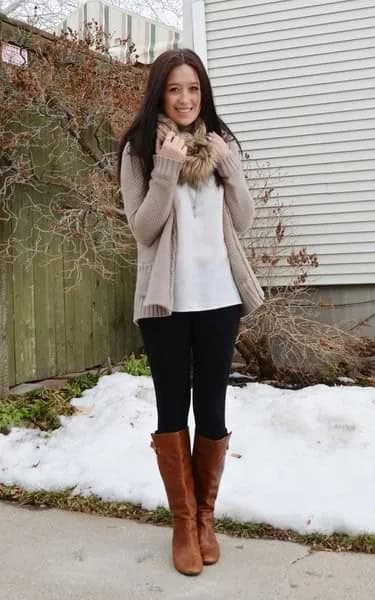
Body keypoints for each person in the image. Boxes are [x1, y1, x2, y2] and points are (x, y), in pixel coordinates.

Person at [118, 48, 264, 576]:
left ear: (203, 94)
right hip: (165, 304)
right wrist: (167, 169)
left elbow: (243, 221)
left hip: (219, 299)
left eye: (194, 89)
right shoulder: (139, 151)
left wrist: (228, 169)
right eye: (175, 89)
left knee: (213, 408)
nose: (185, 99)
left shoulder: (221, 147)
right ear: (160, 92)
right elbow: (143, 229)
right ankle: (182, 523)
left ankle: (205, 519)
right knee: (171, 408)